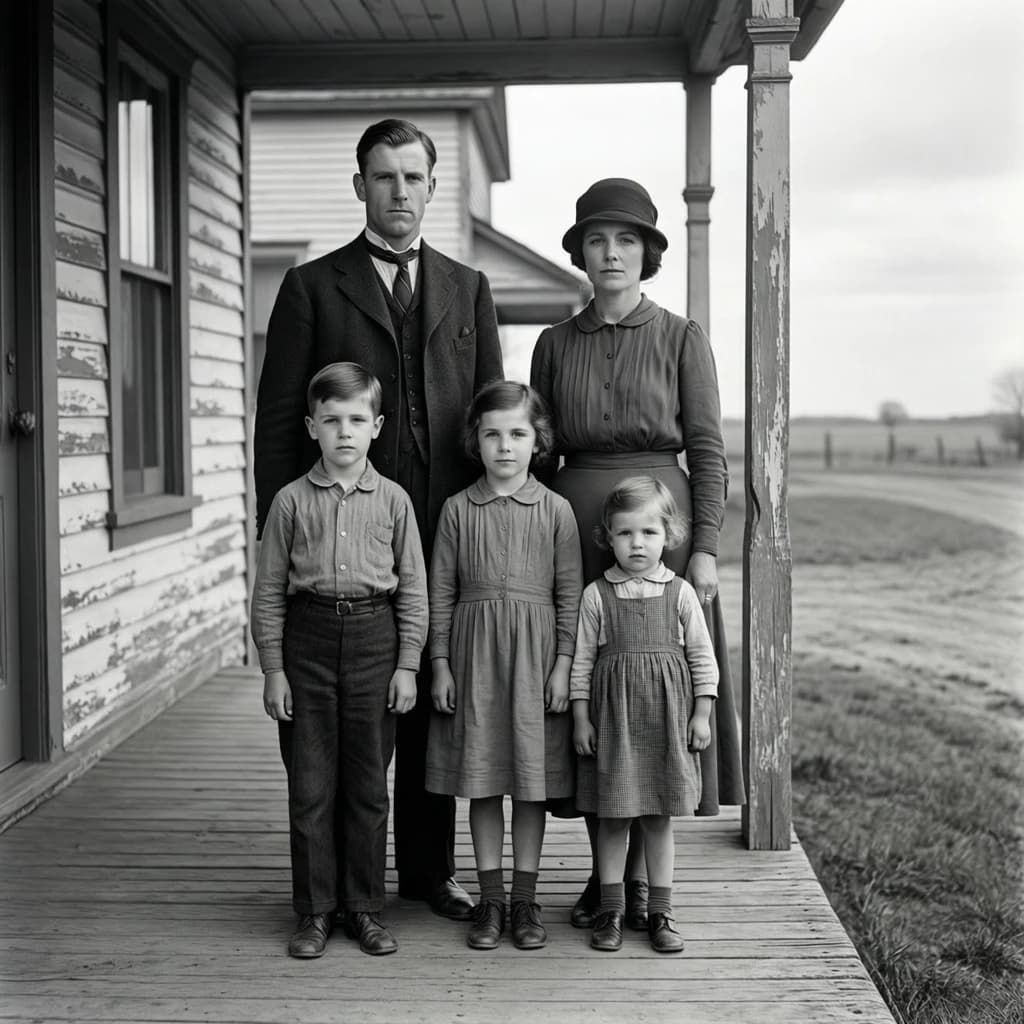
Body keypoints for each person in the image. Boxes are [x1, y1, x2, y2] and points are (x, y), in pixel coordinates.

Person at [254, 118, 504, 921]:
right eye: (384, 176)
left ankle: (429, 873)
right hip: (340, 534)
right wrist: (282, 547)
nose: (400, 190)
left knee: (432, 691)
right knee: (343, 721)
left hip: (444, 525)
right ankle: (334, 888)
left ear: (433, 186)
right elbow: (280, 421)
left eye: (413, 176)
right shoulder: (312, 286)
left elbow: (493, 411)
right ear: (360, 186)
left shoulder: (468, 288)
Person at [530, 177, 745, 931]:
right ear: (582, 253)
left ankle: (645, 889)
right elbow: (539, 453)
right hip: (577, 521)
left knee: (654, 699)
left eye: (625, 240)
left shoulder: (682, 337)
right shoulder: (555, 344)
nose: (611, 253)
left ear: (647, 253)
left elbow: (711, 452)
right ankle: (603, 878)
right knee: (596, 695)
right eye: (597, 239)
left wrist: (708, 548)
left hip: (662, 524)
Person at [251, 362, 428, 959]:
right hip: (308, 641)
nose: (344, 432)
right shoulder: (290, 502)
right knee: (311, 785)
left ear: (377, 426)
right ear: (312, 426)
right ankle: (315, 911)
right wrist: (274, 667)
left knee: (367, 787)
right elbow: (270, 589)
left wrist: (408, 664)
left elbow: (415, 591)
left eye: (356, 420)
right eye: (332, 420)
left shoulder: (396, 502)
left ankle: (364, 907)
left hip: (376, 641)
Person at [426, 381, 583, 951]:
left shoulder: (557, 511)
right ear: (475, 440)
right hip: (473, 662)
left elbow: (570, 595)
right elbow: (439, 592)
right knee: (484, 782)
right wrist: (439, 663)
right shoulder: (456, 510)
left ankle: (524, 899)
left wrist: (564, 664)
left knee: (530, 786)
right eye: (492, 434)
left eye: (517, 434)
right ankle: (489, 899)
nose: (505, 446)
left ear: (537, 440)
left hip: (535, 661)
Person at [571, 477, 719, 954]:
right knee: (613, 818)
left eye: (649, 533)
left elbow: (702, 659)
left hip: (665, 724)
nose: (637, 543)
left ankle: (660, 911)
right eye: (625, 533)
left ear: (669, 536)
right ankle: (610, 909)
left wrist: (702, 714)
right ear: (608, 538)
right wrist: (580, 719)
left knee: (658, 820)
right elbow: (581, 664)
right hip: (614, 726)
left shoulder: (680, 594)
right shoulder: (597, 595)